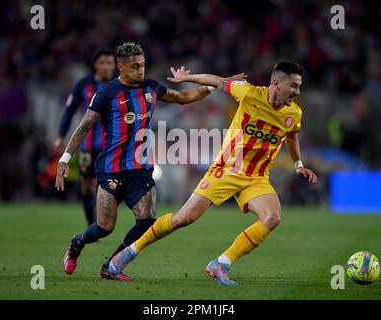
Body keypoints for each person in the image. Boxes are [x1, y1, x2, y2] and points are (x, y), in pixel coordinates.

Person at [108, 61, 318, 285]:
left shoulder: (294, 113)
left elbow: (291, 134)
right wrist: (185, 78)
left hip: (256, 178)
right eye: (293, 86)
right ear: (276, 83)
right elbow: (217, 81)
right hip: (226, 170)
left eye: (299, 87)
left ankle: (222, 263)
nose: (297, 92)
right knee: (183, 218)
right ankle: (127, 253)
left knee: (272, 217)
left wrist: (298, 164)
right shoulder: (248, 93)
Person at [55, 42, 246, 282]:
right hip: (111, 169)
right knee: (104, 227)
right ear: (121, 67)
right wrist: (64, 159)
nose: (140, 71)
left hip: (140, 168)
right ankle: (76, 244)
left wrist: (217, 84)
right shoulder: (106, 93)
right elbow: (83, 127)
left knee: (146, 222)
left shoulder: (151, 88)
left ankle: (111, 266)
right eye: (134, 67)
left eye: (143, 65)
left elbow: (184, 97)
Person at [53, 48, 116, 226]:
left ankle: (104, 222)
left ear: (115, 65)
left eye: (109, 63)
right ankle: (92, 225)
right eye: (102, 63)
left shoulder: (119, 84)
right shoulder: (83, 84)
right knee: (87, 185)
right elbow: (69, 111)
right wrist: (60, 136)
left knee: (110, 184)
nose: (105, 67)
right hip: (88, 145)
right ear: (95, 65)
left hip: (111, 145)